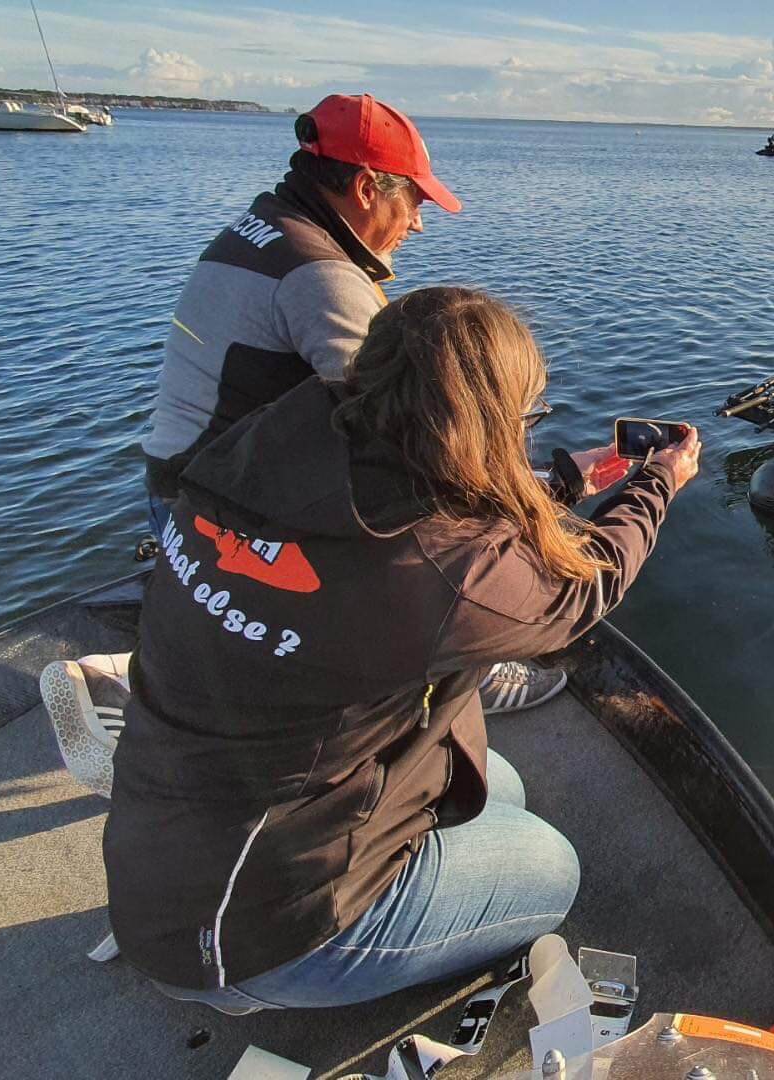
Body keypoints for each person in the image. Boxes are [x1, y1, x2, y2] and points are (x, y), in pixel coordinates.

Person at [104, 286, 702, 1012]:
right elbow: (582, 590)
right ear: (484, 423)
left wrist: (568, 480)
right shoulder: (436, 578)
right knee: (552, 867)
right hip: (253, 938)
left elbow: (429, 513)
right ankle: (316, 968)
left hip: (161, 858)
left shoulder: (267, 442)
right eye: (523, 420)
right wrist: (657, 485)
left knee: (494, 784)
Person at [44, 95, 557, 800]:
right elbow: (410, 429)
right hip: (225, 514)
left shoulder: (259, 229)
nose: (417, 222)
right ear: (367, 188)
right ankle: (465, 666)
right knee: (428, 506)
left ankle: (145, 671)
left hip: (182, 494)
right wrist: (529, 493)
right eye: (413, 201)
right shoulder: (323, 278)